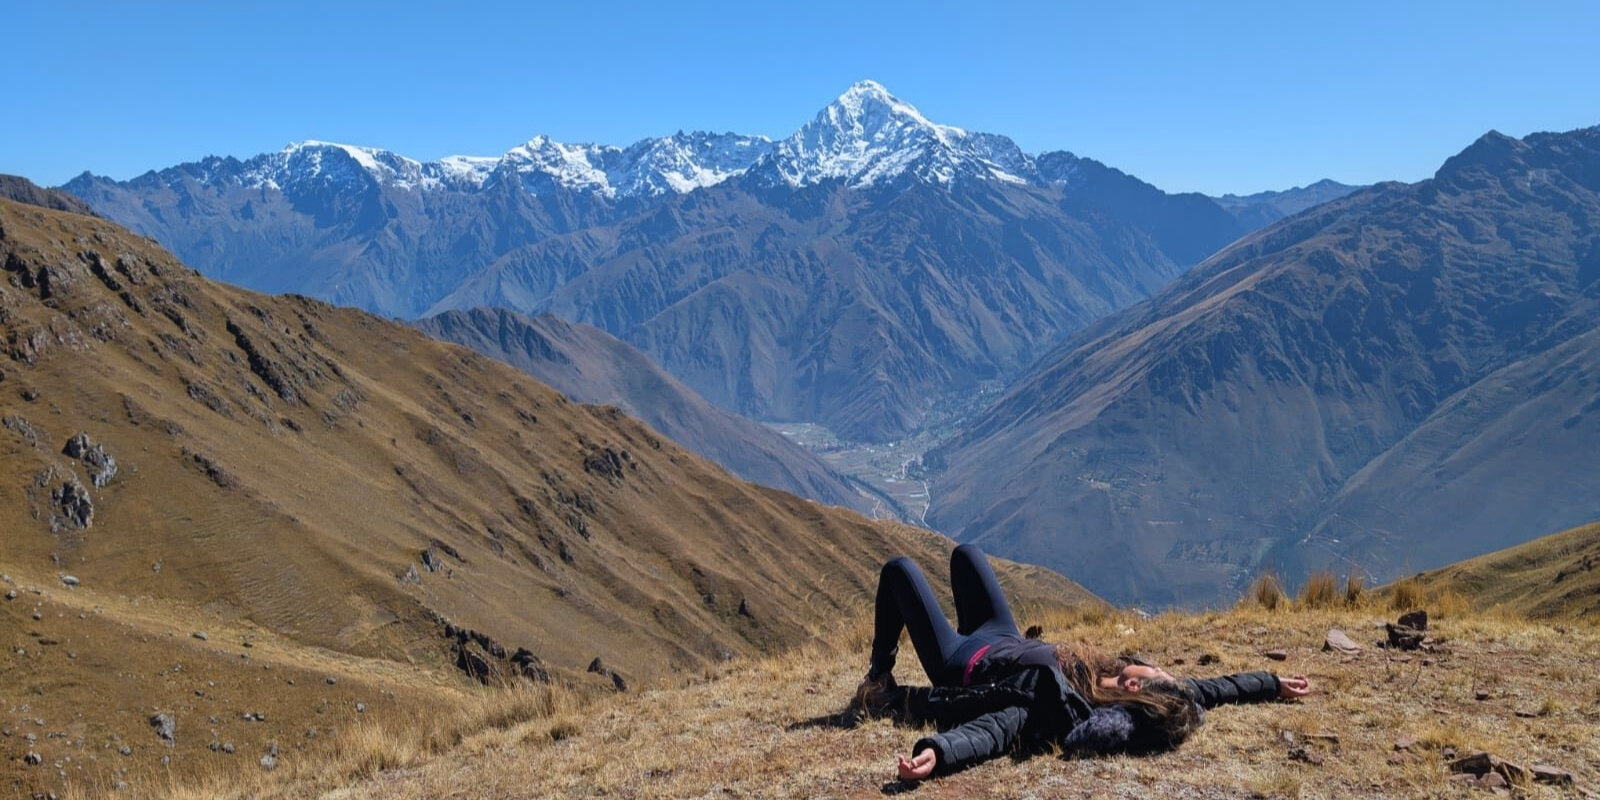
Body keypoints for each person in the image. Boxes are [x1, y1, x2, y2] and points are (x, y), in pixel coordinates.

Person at [856, 545, 1312, 781]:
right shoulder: (1120, 677)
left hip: (963, 661)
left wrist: (937, 751)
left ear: (1135, 689)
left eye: (1155, 673)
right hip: (1001, 633)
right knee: (966, 555)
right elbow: (1212, 689)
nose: (1156, 666)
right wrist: (1271, 682)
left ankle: (878, 678)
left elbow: (995, 729)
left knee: (899, 570)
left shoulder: (1059, 704)